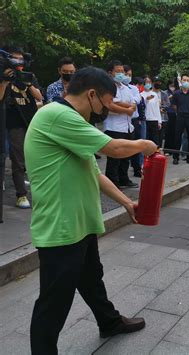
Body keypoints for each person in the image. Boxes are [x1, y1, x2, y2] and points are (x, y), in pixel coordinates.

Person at [24, 67, 157, 355]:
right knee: (53, 302)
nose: (107, 111)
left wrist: (126, 202)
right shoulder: (58, 116)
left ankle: (108, 322)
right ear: (91, 94)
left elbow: (94, 172)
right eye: (106, 104)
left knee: (91, 279)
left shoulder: (73, 122)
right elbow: (114, 148)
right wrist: (143, 145)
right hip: (61, 227)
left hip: (79, 223)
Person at [0, 47, 43, 208]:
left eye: (20, 59)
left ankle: (38, 193)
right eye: (14, 59)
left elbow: (40, 96)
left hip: (32, 121)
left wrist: (28, 83)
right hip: (14, 123)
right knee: (18, 160)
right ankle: (21, 195)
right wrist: (5, 80)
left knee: (35, 159)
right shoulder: (5, 75)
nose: (18, 62)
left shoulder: (29, 76)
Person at [103, 60, 138, 188]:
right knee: (114, 157)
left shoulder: (125, 88)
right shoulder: (108, 87)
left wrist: (128, 107)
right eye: (117, 71)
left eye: (122, 71)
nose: (121, 74)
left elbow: (133, 103)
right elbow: (110, 104)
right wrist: (127, 109)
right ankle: (112, 182)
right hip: (114, 127)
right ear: (110, 73)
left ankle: (124, 178)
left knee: (126, 155)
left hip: (128, 127)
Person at [171, 74, 189, 165]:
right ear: (181, 81)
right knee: (177, 137)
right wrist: (180, 112)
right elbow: (174, 106)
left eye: (187, 80)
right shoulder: (176, 93)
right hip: (180, 117)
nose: (186, 82)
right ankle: (175, 157)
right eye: (184, 80)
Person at [124, 67, 146, 177]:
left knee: (137, 145)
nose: (128, 77)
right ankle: (123, 173)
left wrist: (128, 102)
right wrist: (129, 102)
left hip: (135, 119)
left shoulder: (133, 88)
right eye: (126, 74)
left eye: (130, 75)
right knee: (126, 147)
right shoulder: (117, 88)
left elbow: (137, 100)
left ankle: (137, 168)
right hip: (124, 120)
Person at [140, 76, 162, 146]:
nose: (148, 84)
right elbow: (141, 108)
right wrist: (146, 100)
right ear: (143, 84)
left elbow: (157, 109)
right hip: (145, 120)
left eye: (149, 82)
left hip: (154, 119)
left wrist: (159, 121)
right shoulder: (141, 95)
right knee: (146, 138)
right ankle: (146, 156)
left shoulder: (154, 94)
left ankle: (155, 154)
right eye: (146, 82)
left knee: (155, 139)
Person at [164, 80, 177, 153]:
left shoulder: (177, 92)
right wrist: (169, 98)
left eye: (174, 86)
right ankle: (167, 149)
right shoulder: (165, 92)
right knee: (168, 132)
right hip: (167, 113)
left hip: (175, 113)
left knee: (174, 131)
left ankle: (173, 149)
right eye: (171, 85)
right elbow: (162, 102)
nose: (172, 87)